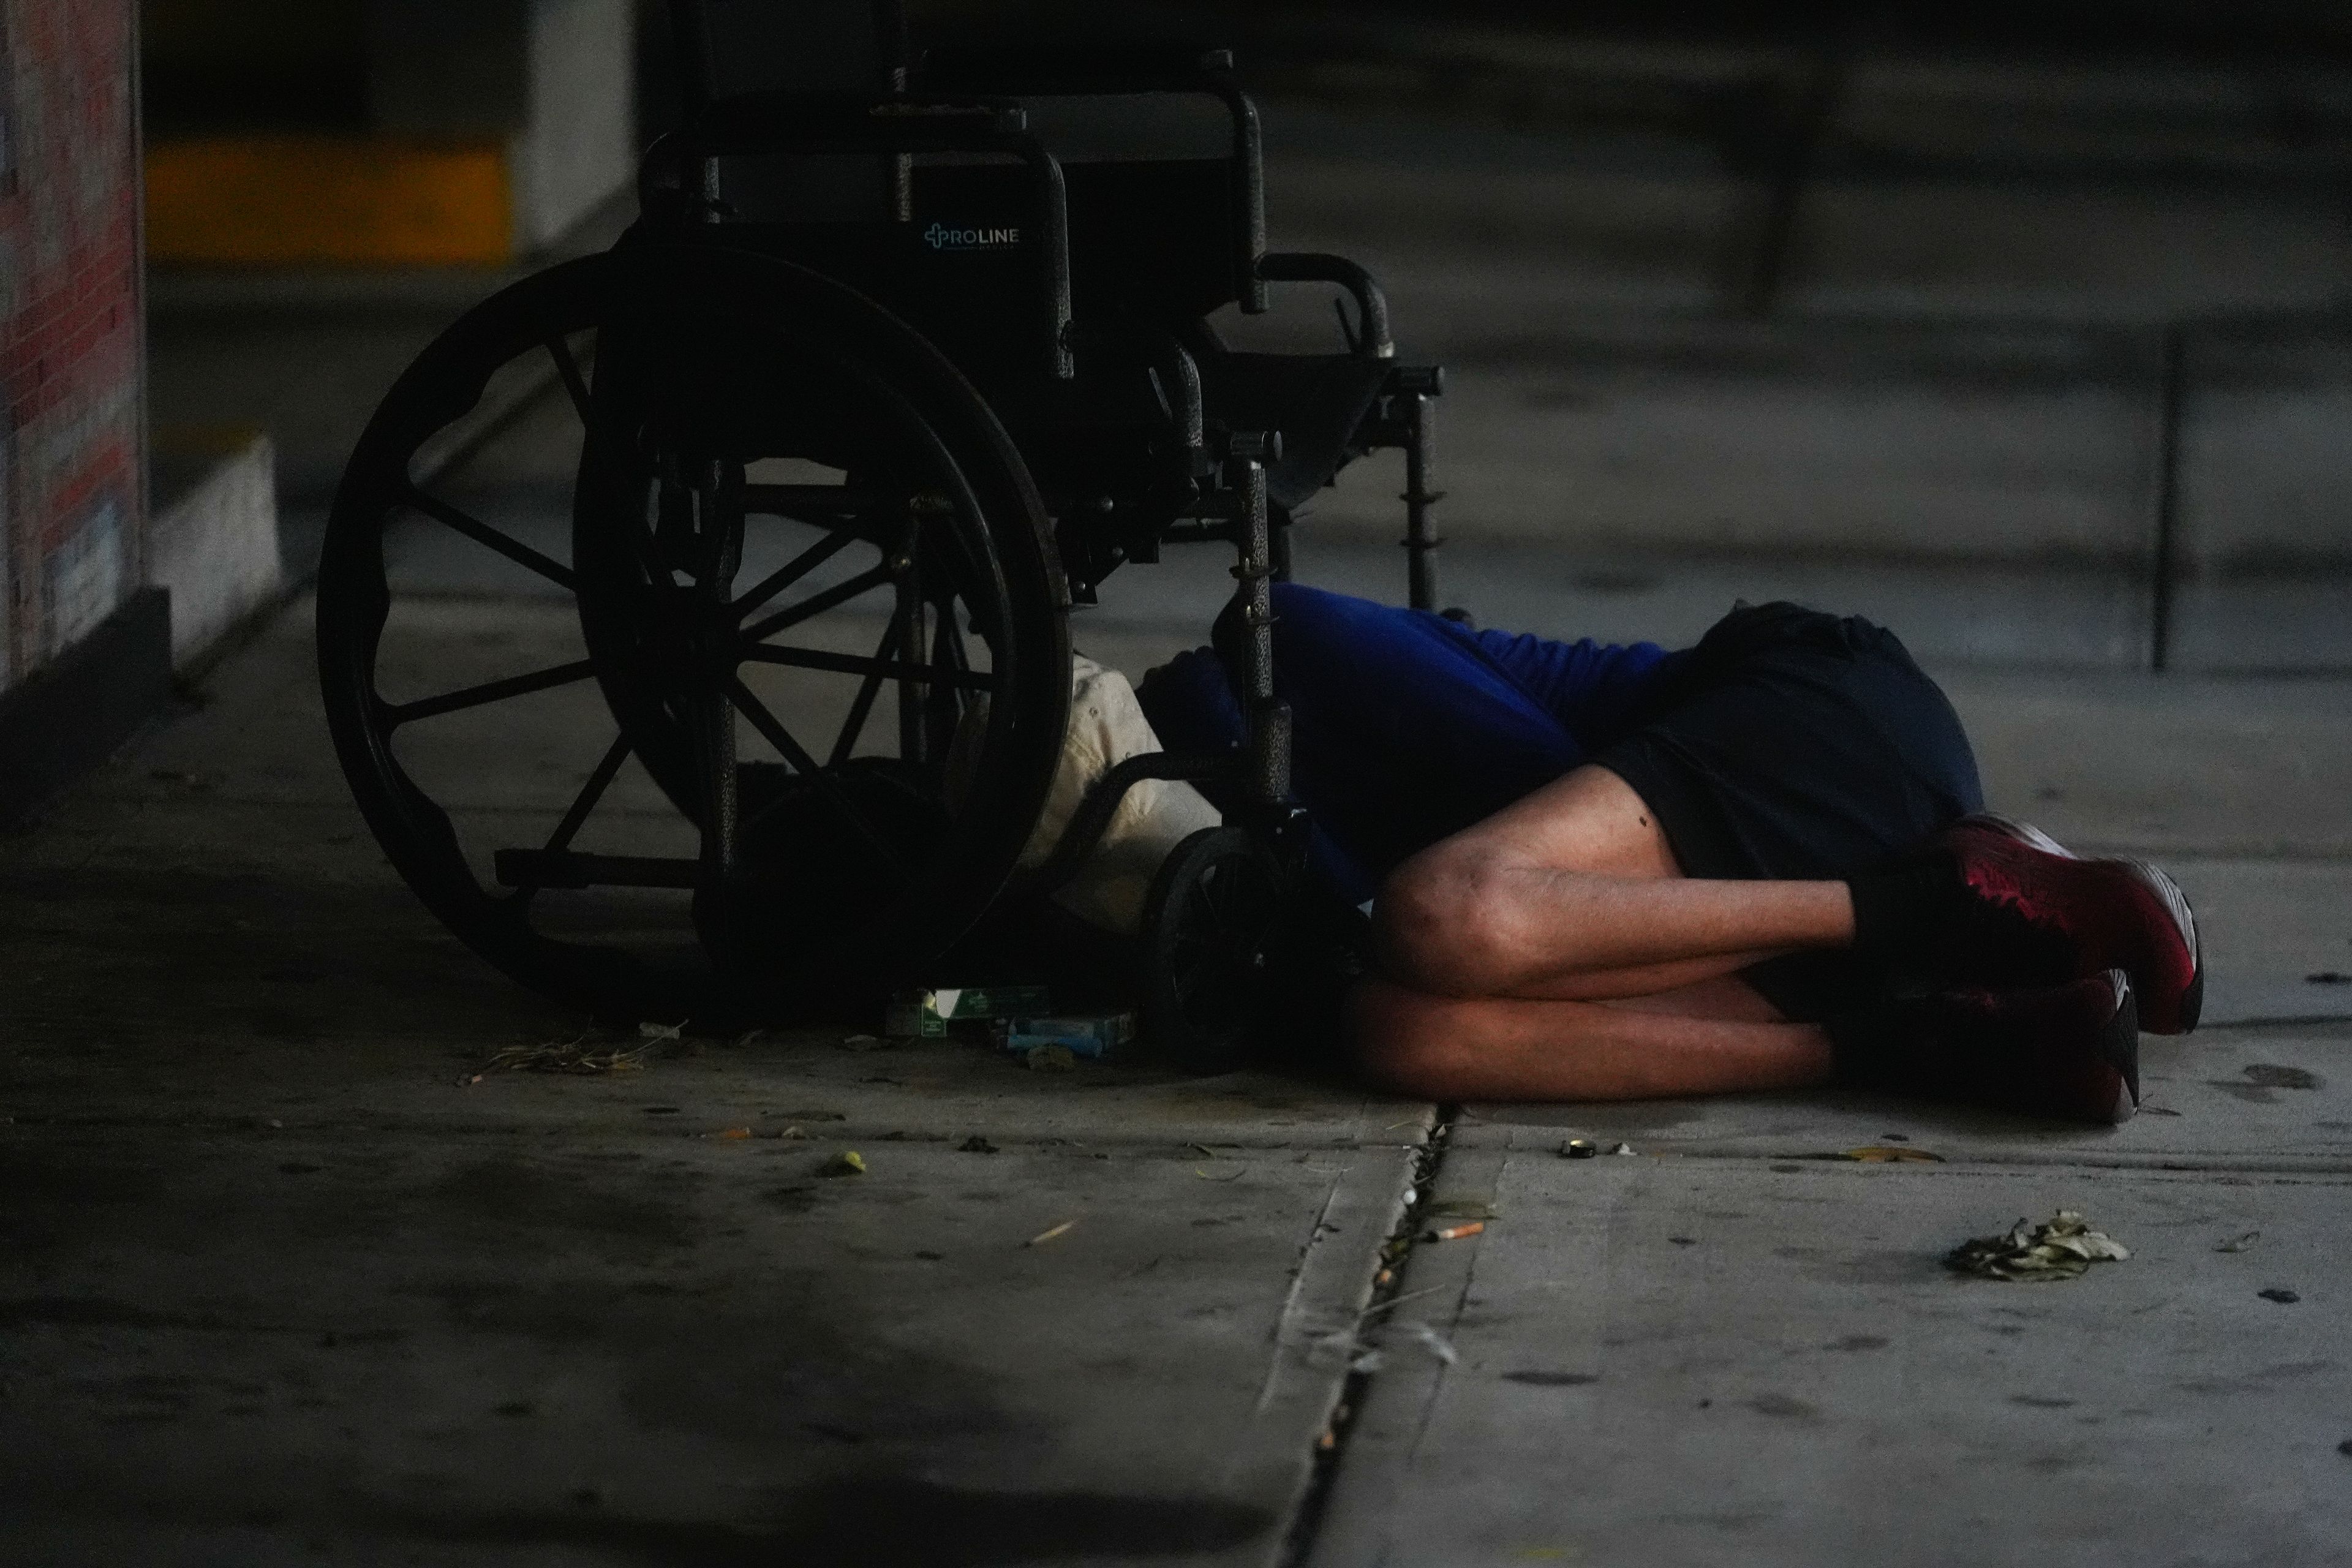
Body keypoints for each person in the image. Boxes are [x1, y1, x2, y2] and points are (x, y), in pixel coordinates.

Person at [1135, 584, 2201, 1124]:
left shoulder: (1263, 657)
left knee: (1443, 919)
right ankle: (1921, 1036)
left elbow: (1490, 846)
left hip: (1827, 734)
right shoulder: (1256, 877)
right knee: (1397, 1033)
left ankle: (1932, 905)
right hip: (1748, 923)